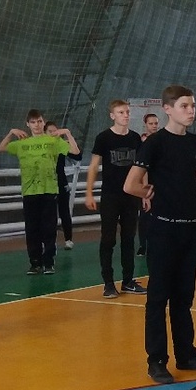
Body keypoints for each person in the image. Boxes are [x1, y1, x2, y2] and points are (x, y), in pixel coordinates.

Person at [123, 85, 196, 384]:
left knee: (183, 295)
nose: (191, 111)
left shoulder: (194, 143)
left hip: (189, 228)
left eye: (192, 106)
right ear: (168, 109)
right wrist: (148, 193)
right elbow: (130, 184)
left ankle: (186, 354)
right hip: (163, 229)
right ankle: (156, 360)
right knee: (158, 297)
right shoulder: (155, 143)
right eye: (184, 106)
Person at [0, 110, 79, 275]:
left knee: (49, 228)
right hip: (29, 192)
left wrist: (67, 133)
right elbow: (1, 148)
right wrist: (11, 133)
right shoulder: (22, 143)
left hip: (49, 190)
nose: (37, 125)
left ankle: (48, 262)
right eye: (33, 122)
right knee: (32, 229)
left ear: (43, 122)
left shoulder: (52, 141)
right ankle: (35, 263)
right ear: (28, 124)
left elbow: (75, 152)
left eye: (40, 121)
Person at [84, 100, 145, 298]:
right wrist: (89, 192)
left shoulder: (135, 138)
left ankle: (128, 281)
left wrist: (143, 192)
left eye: (127, 112)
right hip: (111, 196)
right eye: (121, 112)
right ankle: (108, 283)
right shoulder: (104, 138)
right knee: (108, 239)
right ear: (112, 115)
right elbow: (94, 166)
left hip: (131, 196)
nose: (125, 115)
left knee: (129, 238)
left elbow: (141, 167)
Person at [44, 120, 80, 250]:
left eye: (55, 131)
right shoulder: (41, 145)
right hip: (46, 184)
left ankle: (68, 239)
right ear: (44, 133)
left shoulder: (61, 145)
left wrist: (68, 133)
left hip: (61, 183)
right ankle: (48, 242)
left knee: (64, 212)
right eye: (50, 131)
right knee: (48, 215)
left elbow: (77, 154)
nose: (53, 133)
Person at [136, 112, 160, 258]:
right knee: (145, 215)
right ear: (145, 125)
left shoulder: (161, 140)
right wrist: (144, 191)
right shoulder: (142, 143)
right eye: (151, 123)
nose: (154, 126)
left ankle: (157, 243)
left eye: (156, 123)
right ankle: (142, 245)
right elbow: (142, 169)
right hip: (146, 183)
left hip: (160, 183)